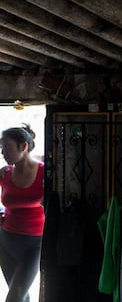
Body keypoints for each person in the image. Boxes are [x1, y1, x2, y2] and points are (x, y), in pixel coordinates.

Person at [0, 124, 44, 302]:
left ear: (24, 146)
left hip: (35, 244)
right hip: (6, 242)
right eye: (1, 147)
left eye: (7, 146)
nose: (3, 152)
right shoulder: (4, 174)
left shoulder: (44, 172)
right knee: (21, 296)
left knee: (14, 296)